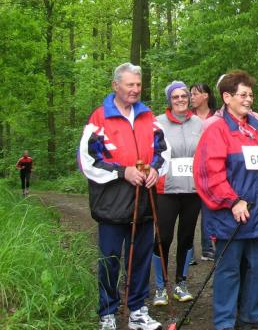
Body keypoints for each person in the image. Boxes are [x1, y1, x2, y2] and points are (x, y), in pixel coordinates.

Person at [78, 62, 169, 330]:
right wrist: (123, 172)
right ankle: (107, 313)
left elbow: (163, 151)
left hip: (144, 203)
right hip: (111, 204)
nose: (135, 89)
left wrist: (155, 169)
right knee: (110, 260)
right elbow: (88, 161)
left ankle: (138, 311)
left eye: (138, 85)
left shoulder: (148, 117)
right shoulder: (99, 119)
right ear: (115, 86)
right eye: (130, 84)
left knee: (140, 258)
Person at [193, 70, 258, 330]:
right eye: (243, 95)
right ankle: (225, 321)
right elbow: (208, 174)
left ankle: (251, 313)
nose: (248, 100)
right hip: (230, 215)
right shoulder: (216, 129)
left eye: (250, 95)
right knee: (229, 269)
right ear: (227, 97)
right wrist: (233, 201)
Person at [151, 81, 204, 306]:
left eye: (184, 96)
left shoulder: (199, 123)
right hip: (166, 189)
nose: (181, 100)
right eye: (176, 97)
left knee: (187, 236)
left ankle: (181, 283)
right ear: (169, 100)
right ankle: (160, 286)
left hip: (192, 190)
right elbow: (152, 152)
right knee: (163, 237)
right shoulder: (157, 123)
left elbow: (204, 153)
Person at [190, 82, 217, 262]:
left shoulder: (216, 117)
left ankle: (207, 248)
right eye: (191, 94)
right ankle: (188, 251)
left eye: (194, 94)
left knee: (208, 209)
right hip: (189, 169)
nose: (191, 97)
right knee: (189, 211)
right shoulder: (187, 117)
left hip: (210, 169)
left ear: (205, 95)